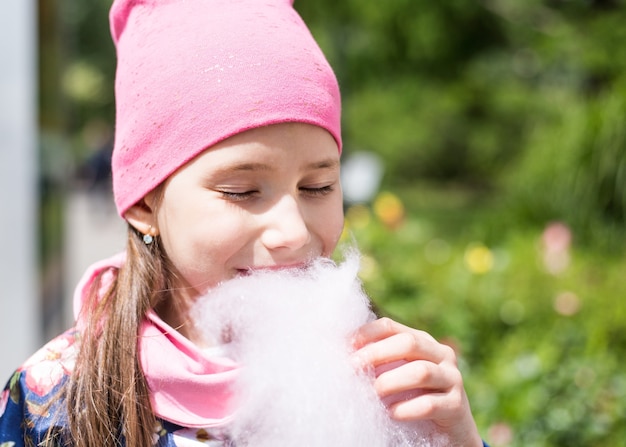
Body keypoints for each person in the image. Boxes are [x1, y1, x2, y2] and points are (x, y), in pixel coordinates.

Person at [0, 0, 487, 445]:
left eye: (317, 187)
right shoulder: (55, 400)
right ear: (146, 205)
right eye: (242, 192)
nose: (293, 232)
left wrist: (458, 437)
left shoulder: (380, 374)